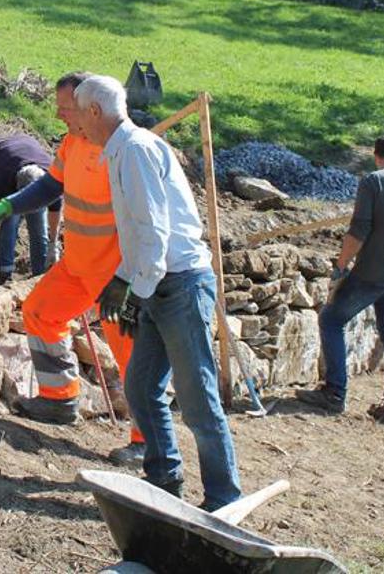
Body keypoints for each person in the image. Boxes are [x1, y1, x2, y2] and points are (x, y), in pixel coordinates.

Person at [70, 74, 241, 509]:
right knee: (142, 386)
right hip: (159, 282)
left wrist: (131, 286)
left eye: (76, 111)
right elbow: (140, 235)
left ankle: (223, 498)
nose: (73, 121)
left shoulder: (136, 151)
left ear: (95, 111)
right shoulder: (123, 150)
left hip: (180, 284)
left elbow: (154, 233)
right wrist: (128, 282)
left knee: (198, 396)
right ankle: (164, 482)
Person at [0, 72, 146, 466]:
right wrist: (11, 205)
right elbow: (50, 186)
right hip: (78, 265)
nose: (59, 116)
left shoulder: (122, 151)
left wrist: (130, 278)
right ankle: (60, 398)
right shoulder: (73, 142)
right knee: (39, 311)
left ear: (92, 109)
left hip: (116, 276)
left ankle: (146, 442)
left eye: (65, 109)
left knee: (133, 358)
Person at [297, 134, 384, 427]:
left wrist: (341, 266)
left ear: (375, 155)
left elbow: (359, 230)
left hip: (372, 273)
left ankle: (334, 393)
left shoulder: (373, 182)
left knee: (331, 319)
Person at [0, 134, 62, 284]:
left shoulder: (53, 179)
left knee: (38, 227)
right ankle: (5, 273)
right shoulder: (1, 182)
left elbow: (55, 213)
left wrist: (53, 245)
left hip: (28, 152)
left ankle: (38, 276)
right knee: (8, 221)